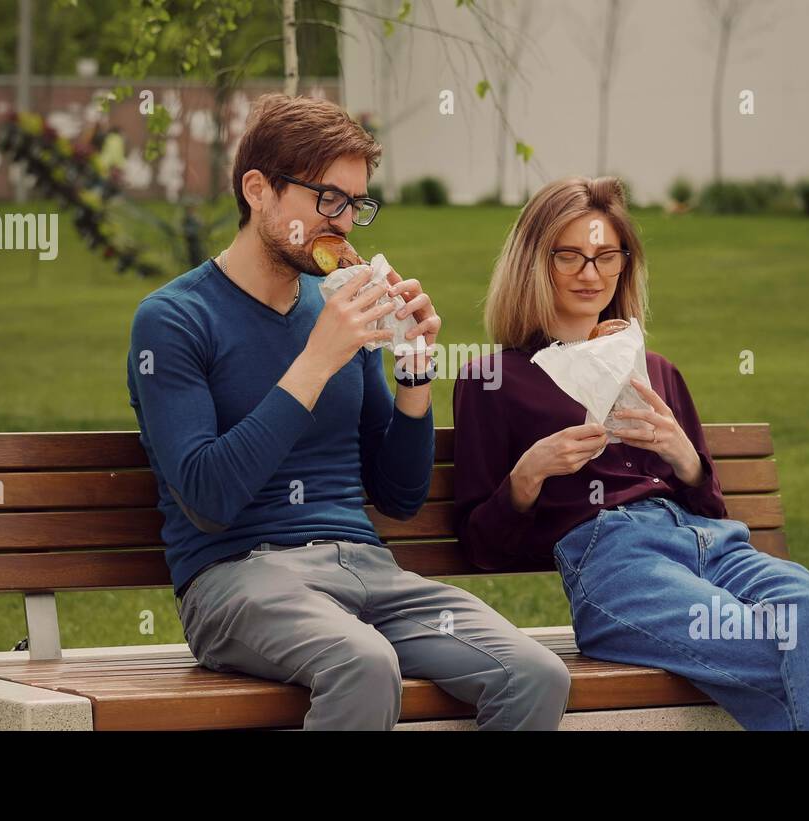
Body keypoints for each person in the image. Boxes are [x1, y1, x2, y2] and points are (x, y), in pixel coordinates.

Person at [125, 93, 570, 730]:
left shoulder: (339, 306)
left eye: (357, 205)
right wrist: (315, 360)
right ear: (259, 190)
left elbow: (398, 495)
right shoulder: (173, 320)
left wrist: (414, 371)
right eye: (329, 200)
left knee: (534, 673)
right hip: (235, 579)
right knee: (363, 662)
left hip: (365, 569)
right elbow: (208, 498)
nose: (345, 223)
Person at [452, 175, 809, 730]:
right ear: (534, 263)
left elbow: (709, 509)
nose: (591, 274)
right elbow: (480, 545)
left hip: (711, 546)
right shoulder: (494, 379)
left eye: (607, 256)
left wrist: (684, 457)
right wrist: (528, 475)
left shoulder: (655, 371)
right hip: (616, 561)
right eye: (570, 257)